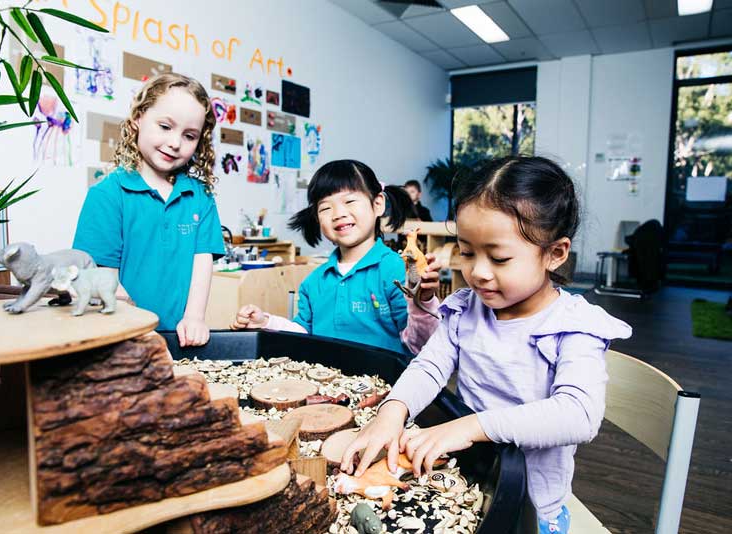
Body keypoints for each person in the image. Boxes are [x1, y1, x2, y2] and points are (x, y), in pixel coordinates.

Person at [340, 156, 632, 534]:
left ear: (555, 254)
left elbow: (579, 414)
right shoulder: (467, 309)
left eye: (499, 257)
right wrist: (392, 412)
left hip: (529, 509)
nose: (477, 272)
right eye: (466, 251)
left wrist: (471, 426)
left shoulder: (573, 326)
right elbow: (429, 366)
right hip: (468, 486)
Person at [73, 73, 224, 347]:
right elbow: (103, 275)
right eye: (165, 126)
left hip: (179, 339)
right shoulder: (107, 194)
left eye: (189, 135)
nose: (175, 142)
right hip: (121, 336)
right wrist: (133, 323)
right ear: (138, 118)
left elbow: (203, 262)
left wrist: (194, 317)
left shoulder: (201, 198)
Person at [232, 160, 441, 355]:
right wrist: (265, 322)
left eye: (349, 201)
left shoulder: (395, 269)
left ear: (378, 204)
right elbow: (302, 335)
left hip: (385, 387)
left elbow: (419, 345)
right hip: (327, 387)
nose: (338, 213)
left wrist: (424, 301)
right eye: (325, 207)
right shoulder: (313, 282)